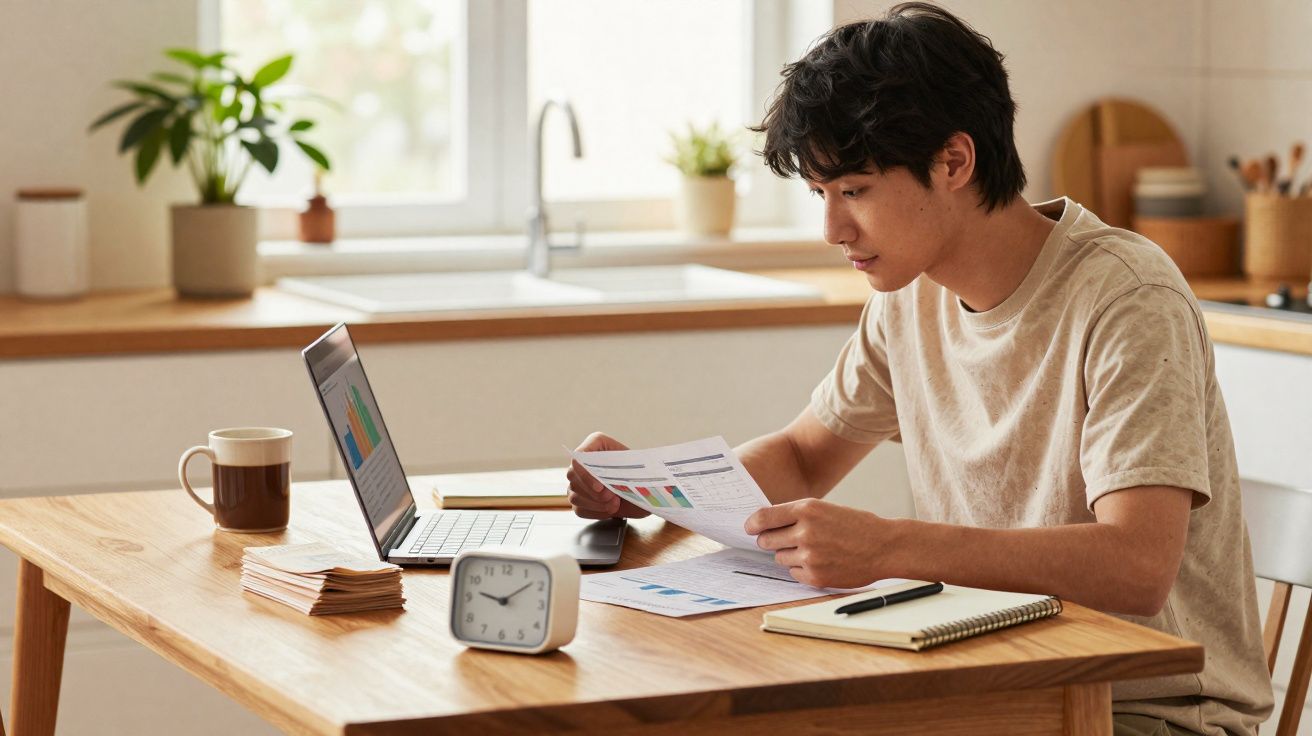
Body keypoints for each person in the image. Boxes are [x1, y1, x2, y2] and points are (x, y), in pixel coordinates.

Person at [565, 4, 1272, 735]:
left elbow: (1137, 565)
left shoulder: (1127, 297)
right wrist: (656, 492)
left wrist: (887, 547)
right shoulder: (909, 296)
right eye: (819, 196)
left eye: (854, 191)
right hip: (992, 682)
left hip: (1146, 710)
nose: (832, 230)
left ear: (954, 162)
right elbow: (803, 457)